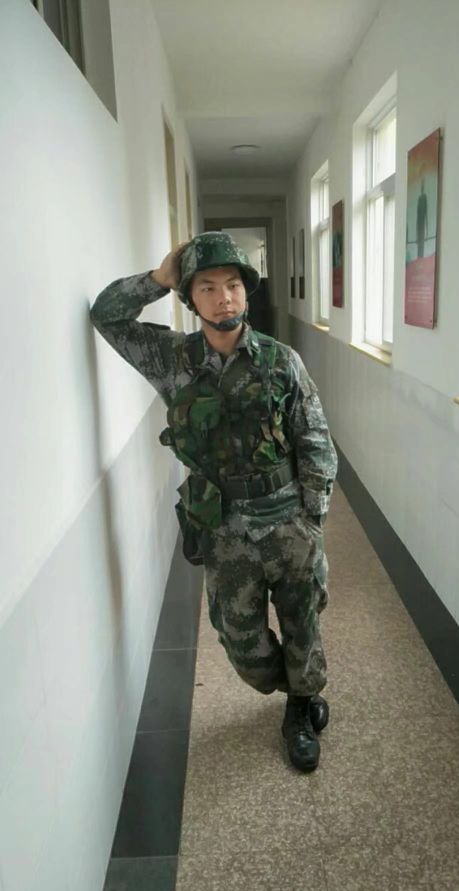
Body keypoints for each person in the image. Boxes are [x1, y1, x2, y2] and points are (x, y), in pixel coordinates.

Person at [90, 232, 338, 772]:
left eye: (233, 286)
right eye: (207, 287)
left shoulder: (281, 361)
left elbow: (315, 437)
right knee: (243, 644)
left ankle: (300, 707)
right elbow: (106, 316)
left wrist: (312, 516)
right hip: (223, 528)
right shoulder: (171, 359)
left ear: (247, 293)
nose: (224, 298)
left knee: (303, 622)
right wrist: (158, 278)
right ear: (190, 298)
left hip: (287, 518)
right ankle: (293, 686)